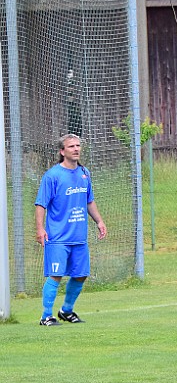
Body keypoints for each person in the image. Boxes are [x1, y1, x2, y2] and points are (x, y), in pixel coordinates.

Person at [35, 134, 107, 326]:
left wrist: (99, 221)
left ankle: (66, 310)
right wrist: (40, 229)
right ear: (62, 151)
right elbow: (41, 204)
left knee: (81, 274)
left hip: (79, 237)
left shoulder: (85, 173)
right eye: (71, 146)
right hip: (58, 237)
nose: (76, 149)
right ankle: (46, 316)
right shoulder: (52, 176)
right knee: (56, 275)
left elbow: (89, 200)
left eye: (78, 145)